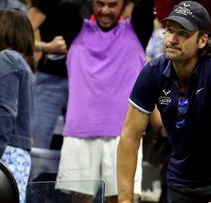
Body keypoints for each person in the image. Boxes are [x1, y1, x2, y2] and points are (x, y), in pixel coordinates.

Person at [117, 1, 211, 203]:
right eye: (169, 30)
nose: (173, 39)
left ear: (202, 40)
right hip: (179, 181)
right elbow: (129, 137)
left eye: (184, 33)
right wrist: (125, 200)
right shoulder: (153, 72)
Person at [54, 0, 154, 202]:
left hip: (125, 133)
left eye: (112, 5)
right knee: (79, 199)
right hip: (80, 130)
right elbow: (66, 5)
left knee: (121, 199)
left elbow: (145, 5)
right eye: (100, 3)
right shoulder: (75, 30)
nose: (105, 10)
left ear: (124, 5)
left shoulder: (137, 31)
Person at [27, 0, 87, 149]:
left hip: (85, 82)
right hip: (50, 79)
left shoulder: (100, 5)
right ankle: (33, 173)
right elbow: (19, 35)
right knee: (37, 142)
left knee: (81, 146)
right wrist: (47, 47)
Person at [0, 9, 35, 203]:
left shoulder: (5, 58)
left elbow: (6, 111)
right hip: (16, 153)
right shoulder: (23, 64)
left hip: (4, 152)